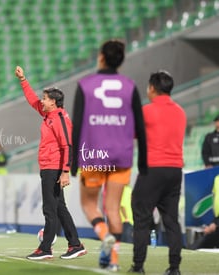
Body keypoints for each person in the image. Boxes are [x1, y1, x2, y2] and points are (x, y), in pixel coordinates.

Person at [71, 40, 147, 271]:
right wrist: (143, 160)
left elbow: (76, 125)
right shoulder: (130, 86)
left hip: (94, 154)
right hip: (121, 156)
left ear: (101, 57)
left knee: (89, 205)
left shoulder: (85, 85)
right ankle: (112, 260)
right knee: (113, 208)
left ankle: (105, 236)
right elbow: (141, 126)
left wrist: (72, 162)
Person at [15, 65, 87, 260]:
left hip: (54, 168)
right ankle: (75, 244)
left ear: (54, 102)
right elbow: (32, 100)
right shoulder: (49, 115)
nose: (42, 100)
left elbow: (68, 145)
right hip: (50, 166)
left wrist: (65, 171)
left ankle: (45, 248)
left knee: (50, 209)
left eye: (45, 98)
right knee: (59, 208)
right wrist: (23, 80)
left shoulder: (59, 118)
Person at [129, 71, 186, 275]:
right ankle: (174, 268)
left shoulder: (147, 111)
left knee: (142, 218)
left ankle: (138, 266)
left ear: (152, 88)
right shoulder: (180, 112)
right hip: (175, 170)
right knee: (171, 220)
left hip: (152, 169)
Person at [189, 175, 219, 249]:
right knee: (202, 243)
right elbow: (215, 198)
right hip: (217, 220)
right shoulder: (217, 178)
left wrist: (216, 223)